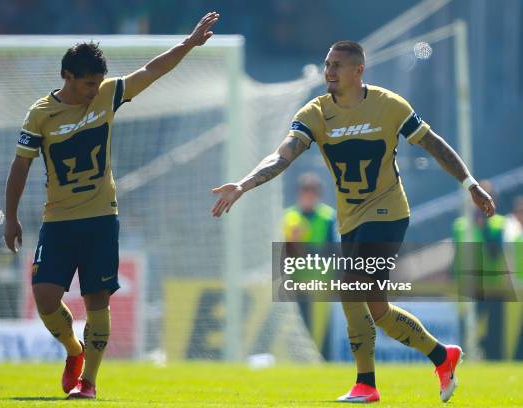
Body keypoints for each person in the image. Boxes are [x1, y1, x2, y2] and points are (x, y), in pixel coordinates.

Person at [212, 40, 495, 403]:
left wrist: (470, 185)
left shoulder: (390, 106)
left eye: (337, 65)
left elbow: (434, 144)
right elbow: (281, 157)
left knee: (349, 285)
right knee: (376, 309)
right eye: (326, 64)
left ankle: (366, 384)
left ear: (358, 70)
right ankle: (442, 356)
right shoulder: (314, 113)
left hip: (389, 211)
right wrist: (244, 184)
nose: (328, 71)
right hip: (350, 220)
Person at [4, 12, 219, 399]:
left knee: (97, 300)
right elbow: (20, 166)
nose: (93, 90)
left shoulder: (107, 94)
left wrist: (188, 44)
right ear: (67, 77)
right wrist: (11, 217)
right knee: (46, 297)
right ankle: (74, 351)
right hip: (58, 220)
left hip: (102, 218)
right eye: (88, 84)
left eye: (97, 83)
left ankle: (89, 383)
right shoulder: (40, 115)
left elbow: (153, 70)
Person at [282, 173, 336, 334]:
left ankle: (323, 358)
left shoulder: (327, 217)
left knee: (322, 329)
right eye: (306, 193)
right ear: (299, 194)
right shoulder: (289, 216)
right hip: (296, 281)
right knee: (300, 326)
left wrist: (305, 250)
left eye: (313, 193)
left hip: (320, 282)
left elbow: (332, 250)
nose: (309, 197)